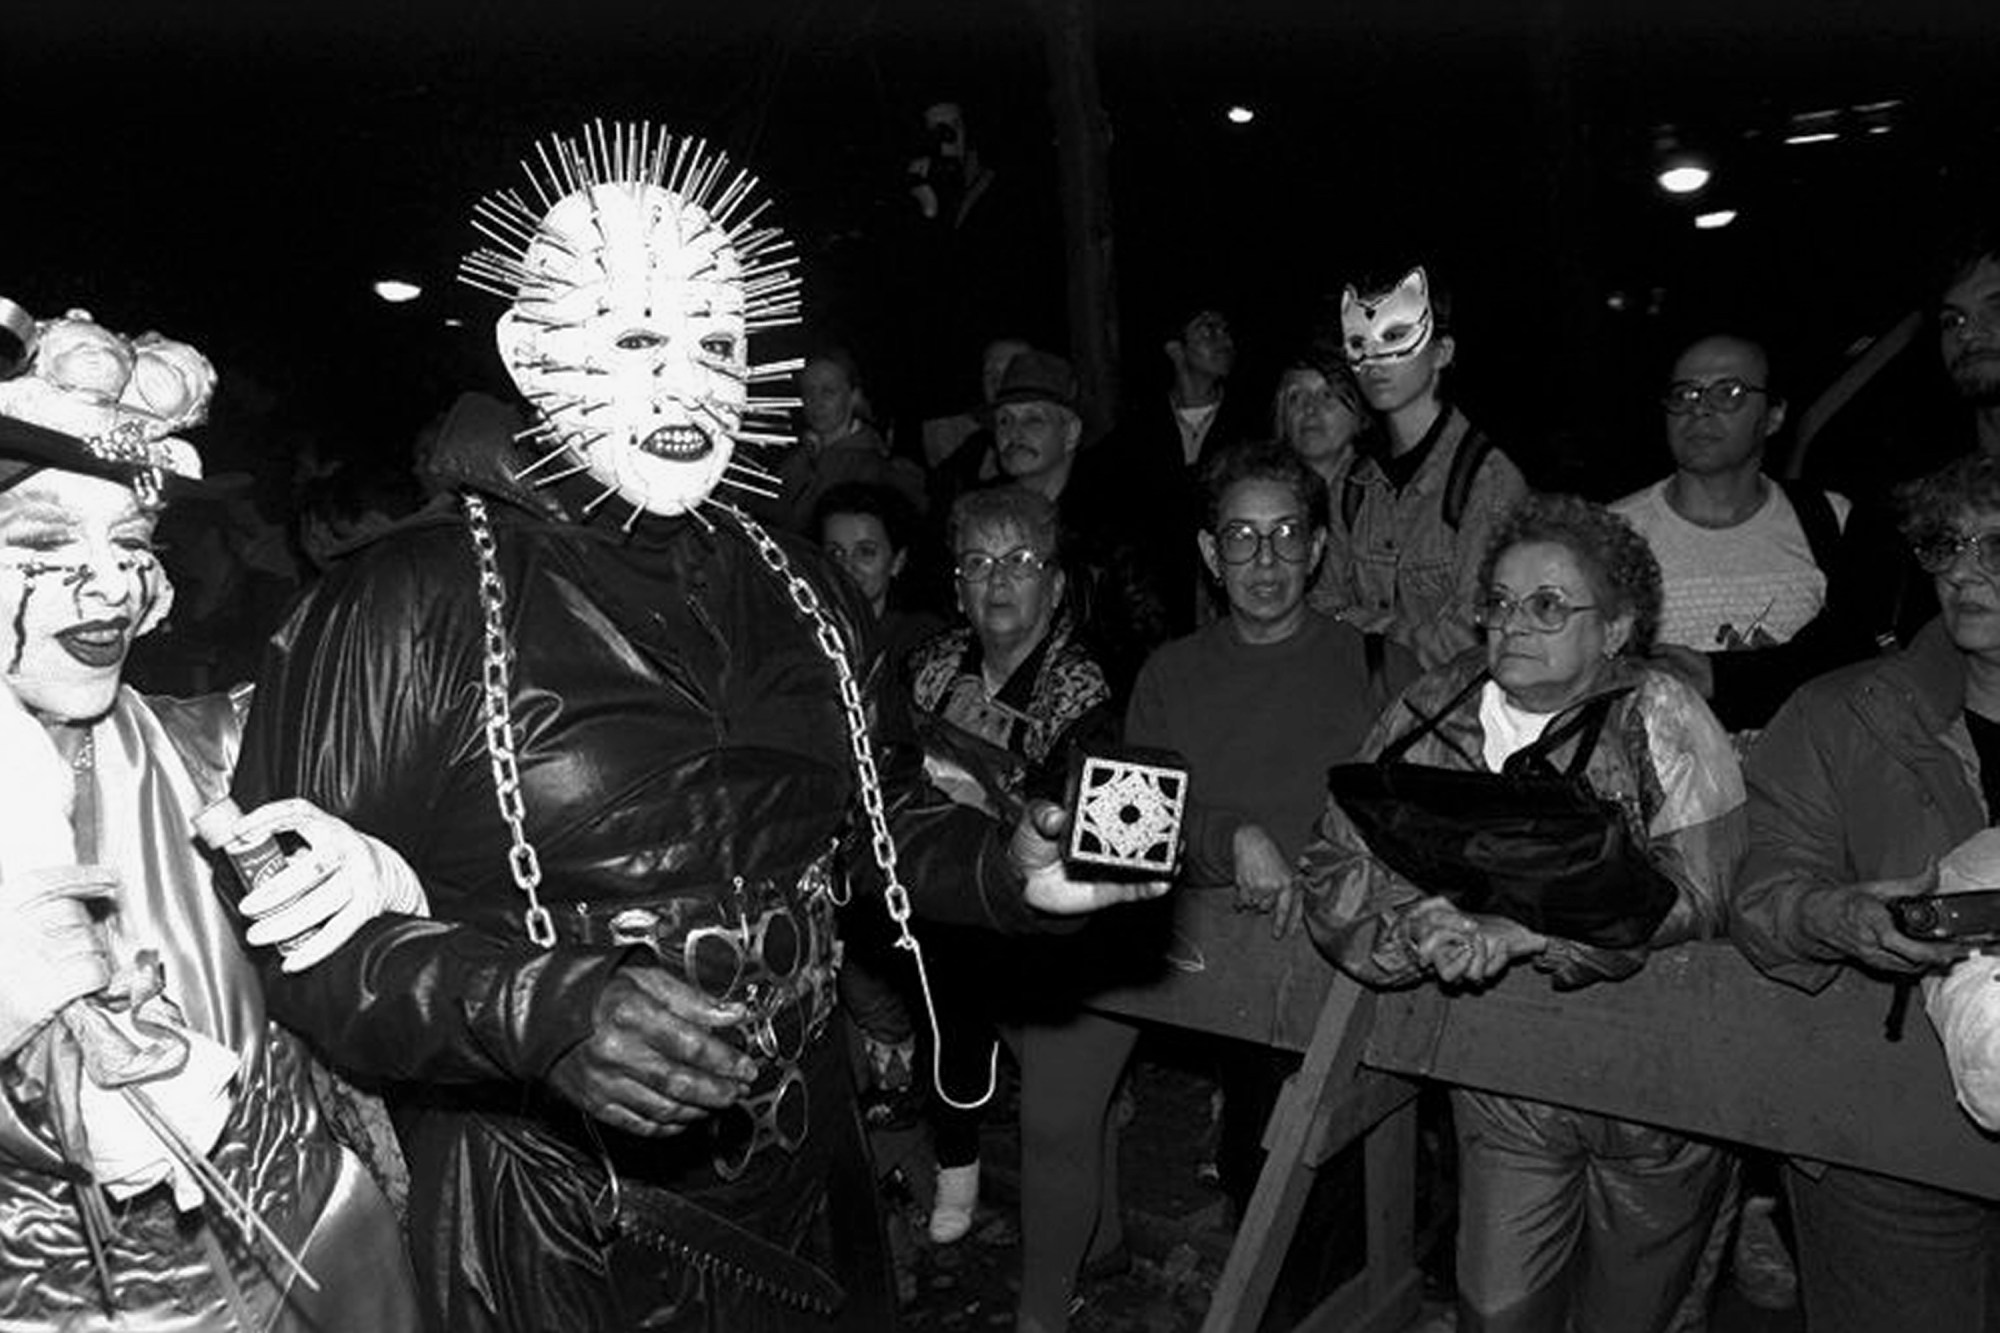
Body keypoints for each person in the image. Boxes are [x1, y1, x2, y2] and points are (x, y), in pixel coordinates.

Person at [230, 125, 1162, 1333]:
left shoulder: (805, 591)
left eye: (719, 341)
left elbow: (876, 829)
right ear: (531, 349)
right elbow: (292, 937)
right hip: (552, 1214)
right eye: (634, 339)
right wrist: (542, 1008)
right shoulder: (401, 607)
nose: (687, 382)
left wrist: (1003, 869)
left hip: (804, 1182)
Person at [0, 303, 423, 1330]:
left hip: (323, 1256)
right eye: (48, 541)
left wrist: (388, 878)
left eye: (131, 539)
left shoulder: (222, 751)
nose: (107, 583)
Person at [1299, 493, 1746, 1332]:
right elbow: (1335, 856)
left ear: (1613, 627)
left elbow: (1701, 898)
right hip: (1507, 1078)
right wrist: (1414, 927)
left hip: (1658, 1089)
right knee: (1496, 1309)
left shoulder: (1664, 716)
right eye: (1499, 603)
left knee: (1634, 1316)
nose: (1513, 624)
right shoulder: (1433, 707)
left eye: (1548, 605)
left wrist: (1531, 931)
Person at [1733, 451, 2000, 1333]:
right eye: (1946, 543)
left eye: (1996, 546)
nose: (1962, 570)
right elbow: (1763, 890)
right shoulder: (1839, 712)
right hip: (1887, 1133)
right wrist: (1838, 915)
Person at [1126, 440, 1417, 1217]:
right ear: (1209, 553)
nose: (1265, 558)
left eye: (1287, 534)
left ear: (1317, 548)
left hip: (1354, 974)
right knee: (1266, 1172)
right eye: (1241, 537)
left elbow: (1426, 814)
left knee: (1341, 1183)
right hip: (1226, 974)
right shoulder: (1168, 674)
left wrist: (1333, 863)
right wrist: (1235, 837)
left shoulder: (1381, 664)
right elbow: (1137, 823)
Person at [904, 485, 1138, 1330]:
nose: (997, 580)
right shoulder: (930, 664)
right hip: (956, 907)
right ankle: (1067, 1222)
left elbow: (1083, 827)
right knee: (947, 994)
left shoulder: (1085, 684)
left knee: (1056, 1105)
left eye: (1020, 561)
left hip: (1062, 922)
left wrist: (976, 793)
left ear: (1057, 582)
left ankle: (1053, 1284)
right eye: (977, 562)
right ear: (957, 583)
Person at [1614, 332, 1872, 733]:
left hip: (1802, 783)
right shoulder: (1612, 533)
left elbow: (1855, 661)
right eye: (1685, 394)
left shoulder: (1828, 521)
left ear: (1773, 416)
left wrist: (1726, 678)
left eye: (1728, 393)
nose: (1699, 411)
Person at [1314, 265, 1528, 668]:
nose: (1374, 358)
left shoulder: (1487, 481)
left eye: (1395, 336)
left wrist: (1363, 626)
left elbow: (1474, 639)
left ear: (1442, 352)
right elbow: (1320, 609)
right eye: (1358, 341)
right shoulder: (1353, 483)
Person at [814, 480, 944, 1130]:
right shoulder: (792, 639)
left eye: (865, 551)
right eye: (832, 552)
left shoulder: (923, 644)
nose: (846, 567)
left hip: (902, 843)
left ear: (895, 561)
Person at [755, 348, 926, 535]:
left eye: (828, 392)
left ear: (853, 397)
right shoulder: (797, 457)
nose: (816, 402)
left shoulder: (871, 467)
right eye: (808, 392)